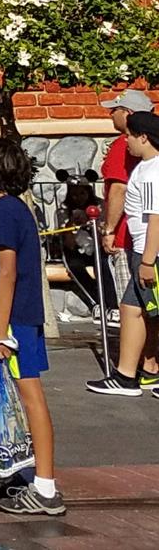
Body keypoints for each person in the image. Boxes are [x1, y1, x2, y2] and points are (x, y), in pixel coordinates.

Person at [0, 135, 62, 517]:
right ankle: (29, 474)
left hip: (16, 321)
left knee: (29, 396)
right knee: (19, 397)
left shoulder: (6, 212)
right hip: (17, 317)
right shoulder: (13, 208)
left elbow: (7, 272)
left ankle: (46, 487)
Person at [89, 109, 159, 398]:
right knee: (131, 309)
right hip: (140, 249)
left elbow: (156, 219)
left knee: (151, 311)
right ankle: (127, 375)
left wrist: (148, 260)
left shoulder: (153, 172)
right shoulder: (143, 167)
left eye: (130, 135)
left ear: (144, 138)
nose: (125, 140)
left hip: (150, 254)